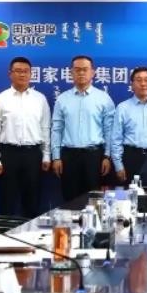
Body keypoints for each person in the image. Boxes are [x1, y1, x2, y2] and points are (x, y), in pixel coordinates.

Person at [0, 57, 50, 217]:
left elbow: (45, 129)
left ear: (31, 74)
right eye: (18, 71)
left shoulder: (40, 99)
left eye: (26, 71)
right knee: (6, 201)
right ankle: (4, 232)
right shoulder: (0, 99)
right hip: (9, 154)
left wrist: (46, 155)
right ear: (10, 74)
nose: (22, 74)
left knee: (32, 201)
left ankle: (30, 232)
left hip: (33, 155)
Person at [51, 55, 115, 202]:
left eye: (85, 69)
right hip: (69, 156)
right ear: (71, 72)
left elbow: (109, 130)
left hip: (94, 156)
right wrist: (56, 157)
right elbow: (56, 129)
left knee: (94, 199)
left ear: (93, 72)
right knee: (70, 199)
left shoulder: (103, 98)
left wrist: (107, 156)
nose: (81, 73)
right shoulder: (62, 99)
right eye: (77, 69)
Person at [111, 67, 147, 185]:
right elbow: (116, 138)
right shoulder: (122, 108)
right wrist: (118, 165)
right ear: (132, 84)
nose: (143, 84)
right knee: (130, 193)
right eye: (138, 80)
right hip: (131, 157)